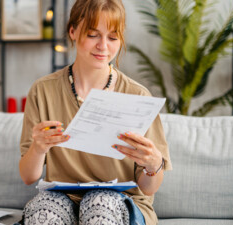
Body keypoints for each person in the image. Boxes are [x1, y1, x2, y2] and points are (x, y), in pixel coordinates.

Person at [19, 0, 172, 224]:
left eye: (112, 37)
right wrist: (38, 147)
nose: (103, 46)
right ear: (72, 31)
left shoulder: (137, 96)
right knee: (42, 210)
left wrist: (153, 165)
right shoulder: (43, 91)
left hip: (122, 203)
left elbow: (148, 189)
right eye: (93, 35)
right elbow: (28, 176)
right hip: (63, 198)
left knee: (99, 202)